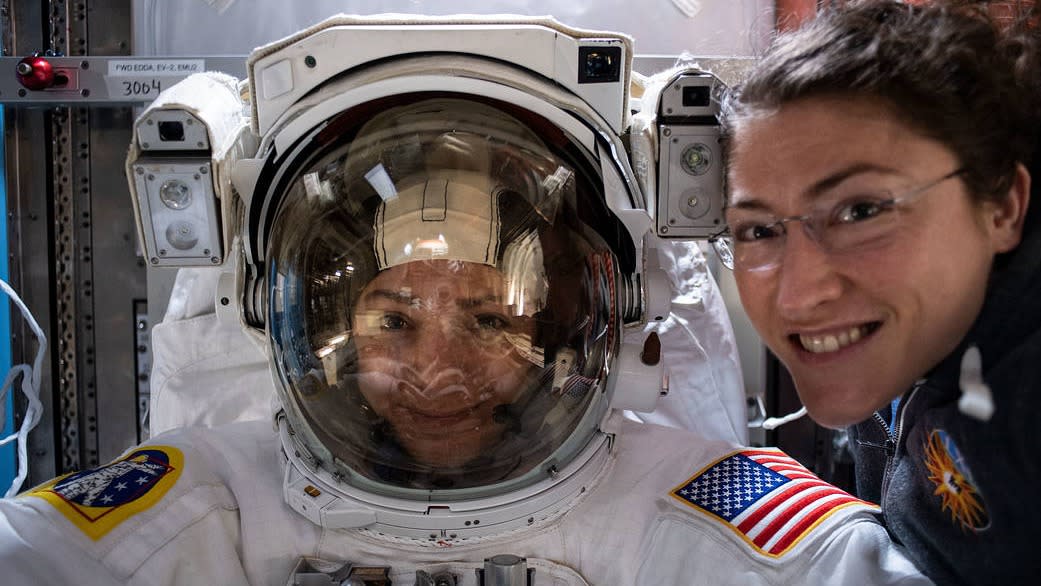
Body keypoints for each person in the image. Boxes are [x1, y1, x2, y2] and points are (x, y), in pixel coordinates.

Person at [1, 18, 929, 585]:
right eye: (392, 319)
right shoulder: (219, 494)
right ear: (303, 325)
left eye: (490, 319)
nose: (437, 370)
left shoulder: (669, 496)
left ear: (571, 328)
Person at [715, 1, 1041, 584]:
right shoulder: (917, 339)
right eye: (759, 230)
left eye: (861, 211)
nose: (797, 295)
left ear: (1002, 206)